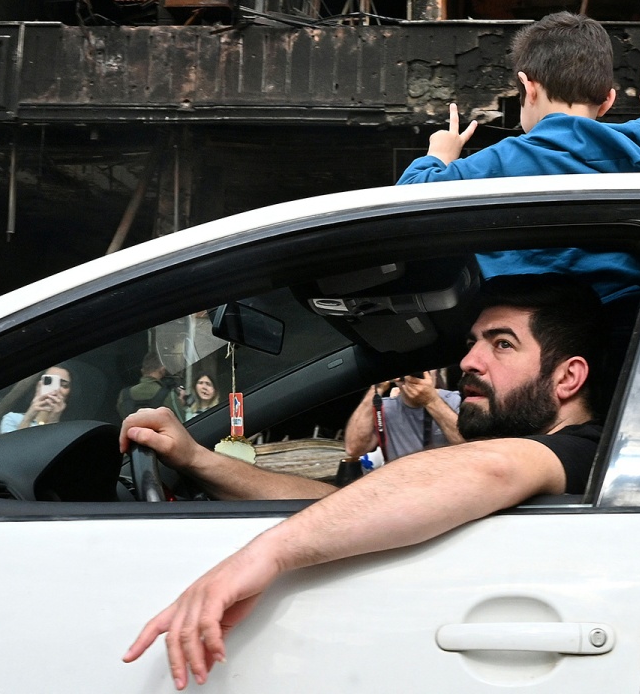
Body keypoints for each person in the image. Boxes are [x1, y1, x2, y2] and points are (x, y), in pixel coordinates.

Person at [120, 275, 606, 689]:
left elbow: (490, 466)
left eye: (502, 344)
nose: (469, 363)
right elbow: (341, 504)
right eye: (473, 343)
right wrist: (195, 458)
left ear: (567, 378)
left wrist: (263, 554)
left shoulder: (586, 451)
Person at [396, 12, 640, 304]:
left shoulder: (502, 162)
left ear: (528, 87)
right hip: (627, 322)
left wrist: (439, 153)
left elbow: (407, 202)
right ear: (608, 101)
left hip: (532, 330)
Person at [343, 369, 463, 461]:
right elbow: (353, 449)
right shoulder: (383, 409)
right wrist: (377, 388)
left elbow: (473, 447)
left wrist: (431, 401)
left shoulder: (455, 401)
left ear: (435, 371)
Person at [0, 366, 73, 433]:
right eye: (49, 381)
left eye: (64, 385)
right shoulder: (12, 419)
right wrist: (27, 419)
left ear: (70, 392)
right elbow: (14, 446)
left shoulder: (71, 428)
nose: (55, 390)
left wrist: (53, 422)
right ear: (39, 386)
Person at [118, 353, 185, 420]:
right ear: (162, 370)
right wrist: (179, 404)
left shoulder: (124, 395)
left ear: (142, 371)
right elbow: (182, 424)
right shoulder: (169, 396)